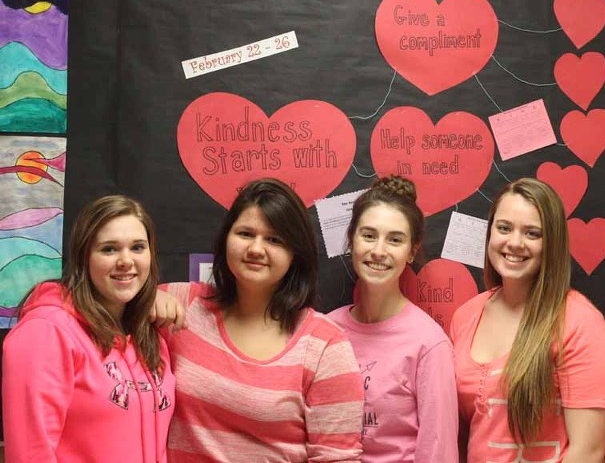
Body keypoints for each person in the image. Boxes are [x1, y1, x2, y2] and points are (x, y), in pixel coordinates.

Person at [156, 178, 363, 462]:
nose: (256, 249)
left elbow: (338, 458)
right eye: (245, 233)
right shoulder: (179, 303)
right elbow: (88, 312)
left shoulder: (325, 345)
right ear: (226, 238)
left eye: (274, 239)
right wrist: (139, 301)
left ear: (295, 254)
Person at [449, 178, 605, 463]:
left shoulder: (580, 323)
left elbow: (588, 452)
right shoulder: (465, 316)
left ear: (552, 243)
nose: (514, 243)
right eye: (504, 228)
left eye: (532, 233)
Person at [2, 195, 175, 462]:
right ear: (84, 257)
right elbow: (30, 453)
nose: (126, 260)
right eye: (109, 249)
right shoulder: (47, 332)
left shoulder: (149, 336)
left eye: (138, 247)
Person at [327, 175, 459, 462]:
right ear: (352, 240)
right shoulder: (325, 331)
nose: (378, 251)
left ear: (411, 251)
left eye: (395, 240)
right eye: (369, 235)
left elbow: (439, 451)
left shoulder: (429, 345)